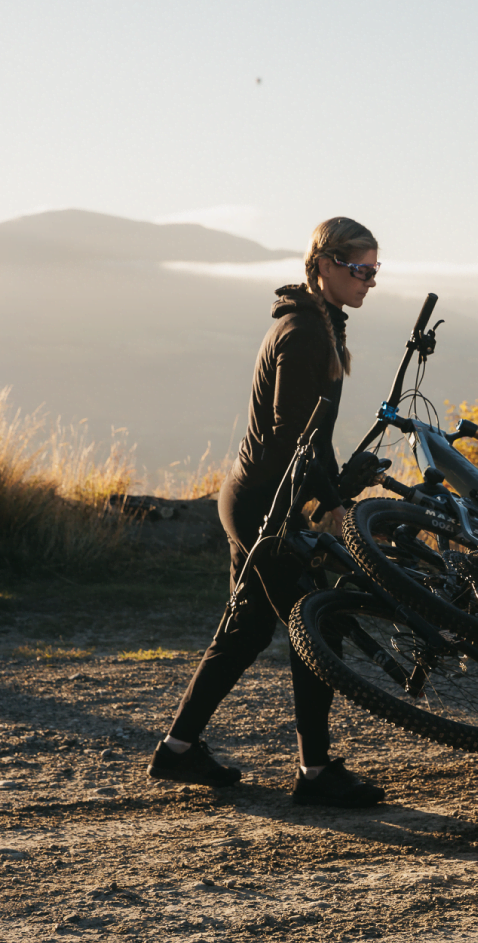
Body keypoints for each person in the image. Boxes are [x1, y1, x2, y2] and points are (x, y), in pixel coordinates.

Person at [148, 216, 385, 808]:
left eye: (375, 272)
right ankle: (315, 770)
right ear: (326, 265)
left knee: (249, 629)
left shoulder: (318, 323)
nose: (369, 282)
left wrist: (333, 489)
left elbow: (312, 435)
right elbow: (288, 437)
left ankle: (178, 751)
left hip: (255, 497)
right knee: (315, 622)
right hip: (265, 505)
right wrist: (325, 499)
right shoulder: (306, 331)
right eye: (360, 270)